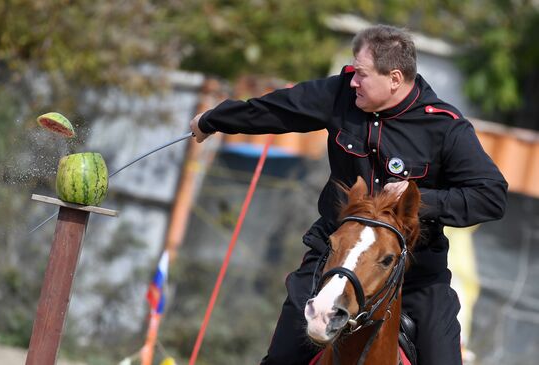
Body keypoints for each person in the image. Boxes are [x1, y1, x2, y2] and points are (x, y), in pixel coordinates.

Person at [189, 24, 507, 365]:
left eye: (363, 75)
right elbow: (278, 109)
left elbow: (491, 196)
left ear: (395, 78)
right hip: (333, 254)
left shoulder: (445, 127)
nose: (352, 80)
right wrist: (213, 119)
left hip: (414, 273)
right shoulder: (341, 93)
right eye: (354, 71)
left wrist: (420, 200)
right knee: (281, 359)